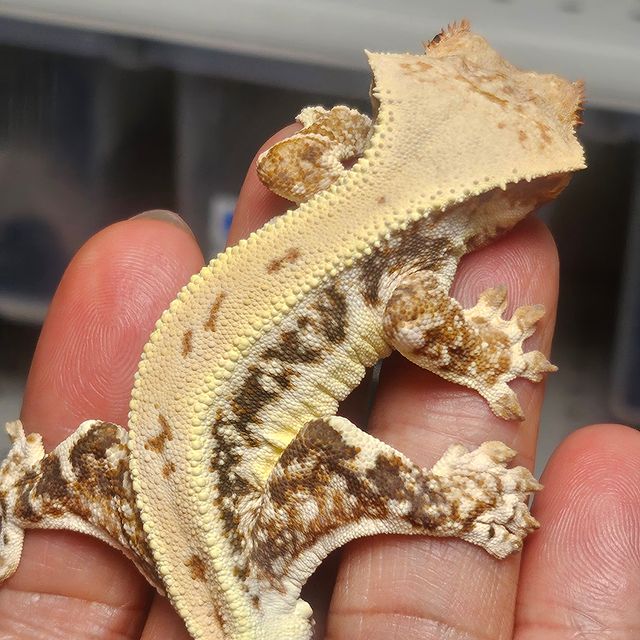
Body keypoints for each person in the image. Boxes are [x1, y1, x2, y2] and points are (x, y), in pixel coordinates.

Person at [1, 126, 638, 639]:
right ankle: (446, 506)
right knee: (322, 456)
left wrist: (339, 137)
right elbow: (412, 321)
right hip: (240, 565)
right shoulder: (402, 232)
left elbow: (283, 166)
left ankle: (25, 494)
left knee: (98, 456)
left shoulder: (359, 190)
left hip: (178, 516)